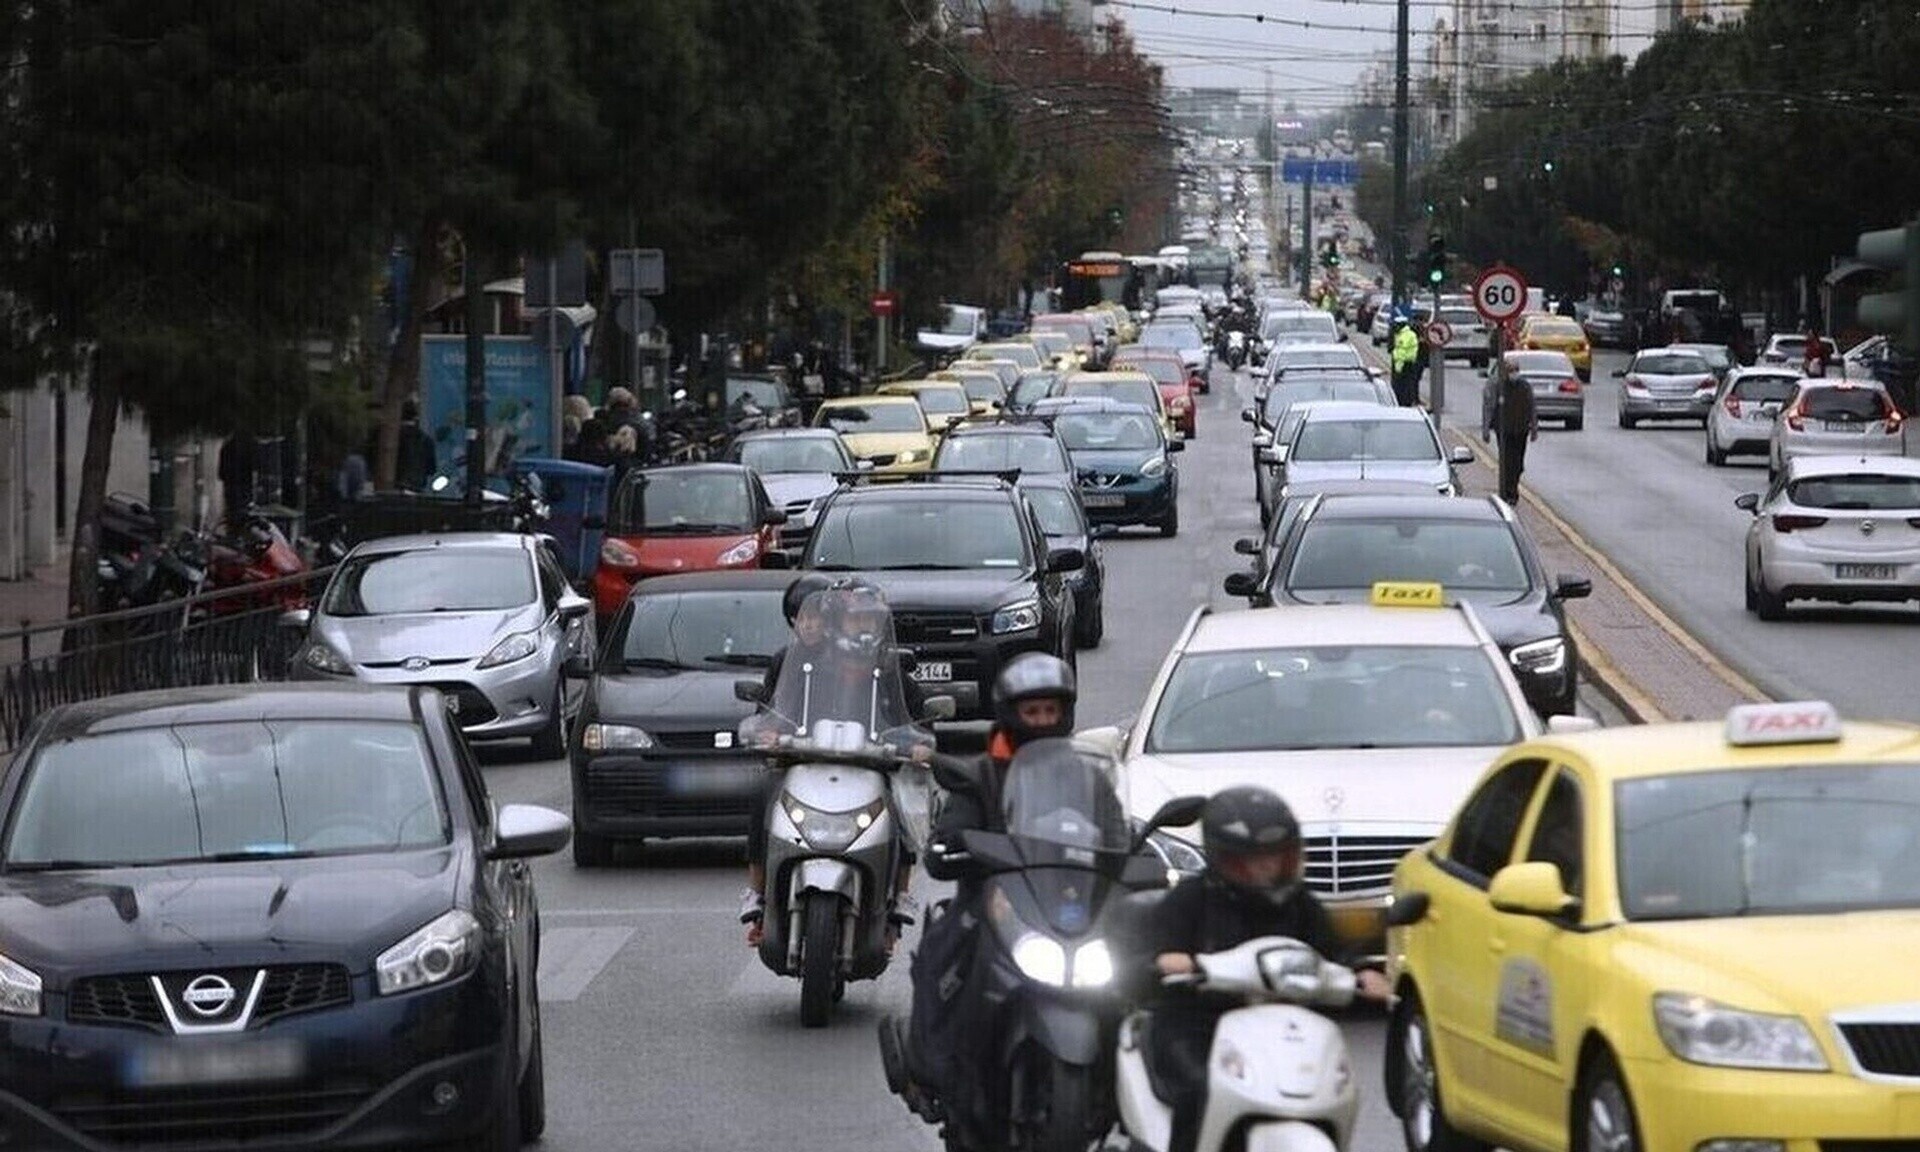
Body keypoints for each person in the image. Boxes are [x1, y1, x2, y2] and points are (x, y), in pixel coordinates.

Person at [1137, 786, 1391, 1152]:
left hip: (1282, 1027)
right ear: (1224, 857)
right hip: (1195, 1026)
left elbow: (1336, 952)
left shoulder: (1300, 904)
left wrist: (1363, 972)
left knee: (1328, 1084)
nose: (1268, 867)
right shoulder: (1191, 899)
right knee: (1199, 1087)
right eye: (1254, 859)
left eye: (1279, 856)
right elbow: (1146, 955)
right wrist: (1167, 961)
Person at [1490, 359, 1538, 505]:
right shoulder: (1500, 387)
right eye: (1510, 370)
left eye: (1515, 370)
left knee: (1517, 463)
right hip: (1504, 430)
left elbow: (1532, 407)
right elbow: (1491, 406)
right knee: (1506, 462)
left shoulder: (1525, 387)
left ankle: (1513, 487)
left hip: (1520, 430)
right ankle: (1508, 492)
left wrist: (1534, 427)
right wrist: (1489, 427)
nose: (1513, 373)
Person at [1390, 313, 1421, 408]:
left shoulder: (1407, 335)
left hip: (1406, 365)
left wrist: (1398, 366)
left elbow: (1402, 352)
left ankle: (1404, 403)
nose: (1394, 327)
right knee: (1400, 387)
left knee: (1404, 388)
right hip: (1400, 364)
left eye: (1396, 325)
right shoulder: (1400, 334)